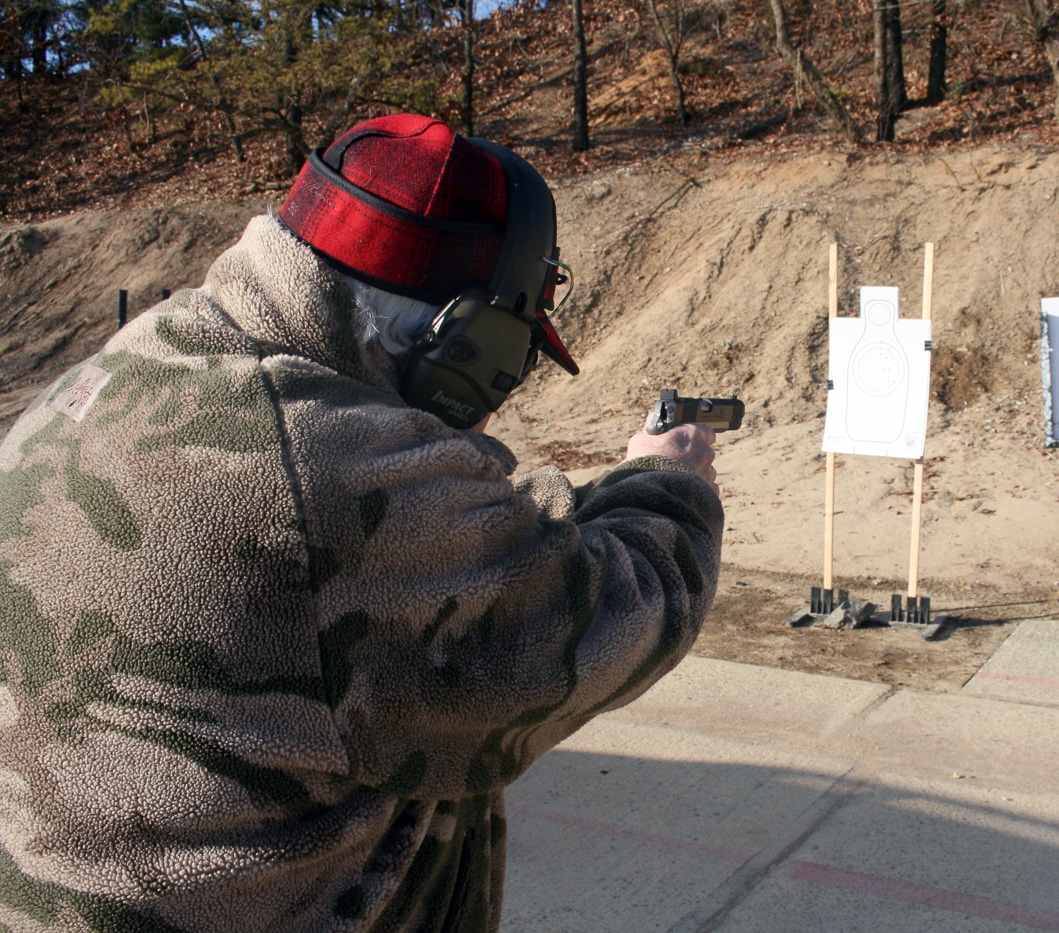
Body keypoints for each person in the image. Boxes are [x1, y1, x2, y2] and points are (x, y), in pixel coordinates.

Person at [0, 114, 723, 932]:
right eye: (509, 354)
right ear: (461, 338)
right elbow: (605, 614)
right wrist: (666, 480)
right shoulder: (323, 465)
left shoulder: (119, 371)